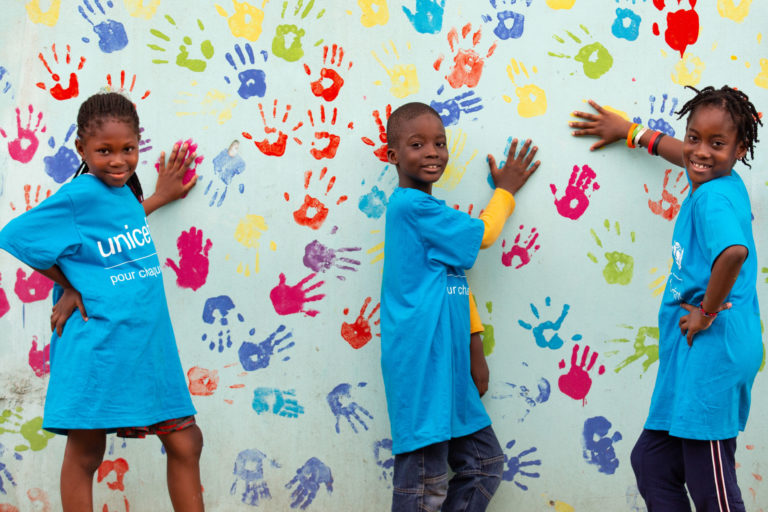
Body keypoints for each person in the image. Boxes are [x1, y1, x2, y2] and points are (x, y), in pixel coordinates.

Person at [0, 91, 205, 512]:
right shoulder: (80, 194)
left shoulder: (123, 194)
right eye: (104, 151)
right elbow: (15, 235)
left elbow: (112, 234)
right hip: (99, 346)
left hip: (146, 346)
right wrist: (70, 283)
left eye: (127, 149)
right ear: (81, 149)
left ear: (138, 144)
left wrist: (160, 197)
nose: (118, 161)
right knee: (87, 452)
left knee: (187, 440)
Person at [569, 85, 762, 511]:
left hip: (714, 351)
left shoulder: (712, 198)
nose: (700, 152)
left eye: (717, 143)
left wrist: (707, 313)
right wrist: (632, 132)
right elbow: (689, 155)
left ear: (739, 147)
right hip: (697, 354)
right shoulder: (722, 178)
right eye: (695, 137)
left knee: (710, 485)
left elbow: (732, 253)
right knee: (654, 462)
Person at [380, 101, 540, 511]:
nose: (432, 152)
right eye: (418, 144)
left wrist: (474, 347)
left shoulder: (433, 216)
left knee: (485, 464)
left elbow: (454, 284)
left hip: (447, 364)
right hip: (422, 364)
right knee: (425, 485)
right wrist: (505, 191)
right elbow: (484, 235)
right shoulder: (412, 207)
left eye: (440, 143)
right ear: (392, 155)